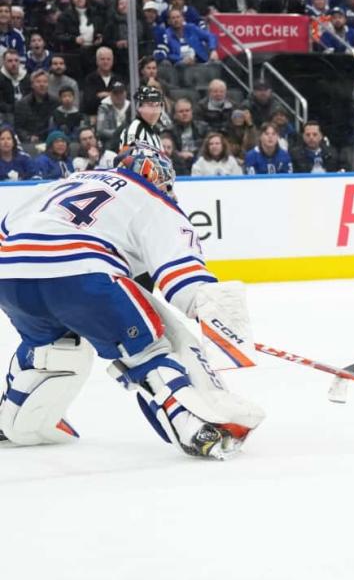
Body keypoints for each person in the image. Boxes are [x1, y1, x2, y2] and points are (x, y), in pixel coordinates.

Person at [0, 145, 263, 458]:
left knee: (51, 351)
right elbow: (184, 277)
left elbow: (8, 226)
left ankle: (11, 419)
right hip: (82, 275)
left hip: (10, 273)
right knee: (149, 346)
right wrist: (216, 316)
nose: (169, 190)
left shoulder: (68, 181)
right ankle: (192, 425)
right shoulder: (150, 198)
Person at [114, 85, 164, 151]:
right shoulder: (134, 129)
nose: (155, 111)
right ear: (139, 108)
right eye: (150, 105)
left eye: (158, 105)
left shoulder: (155, 132)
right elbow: (128, 157)